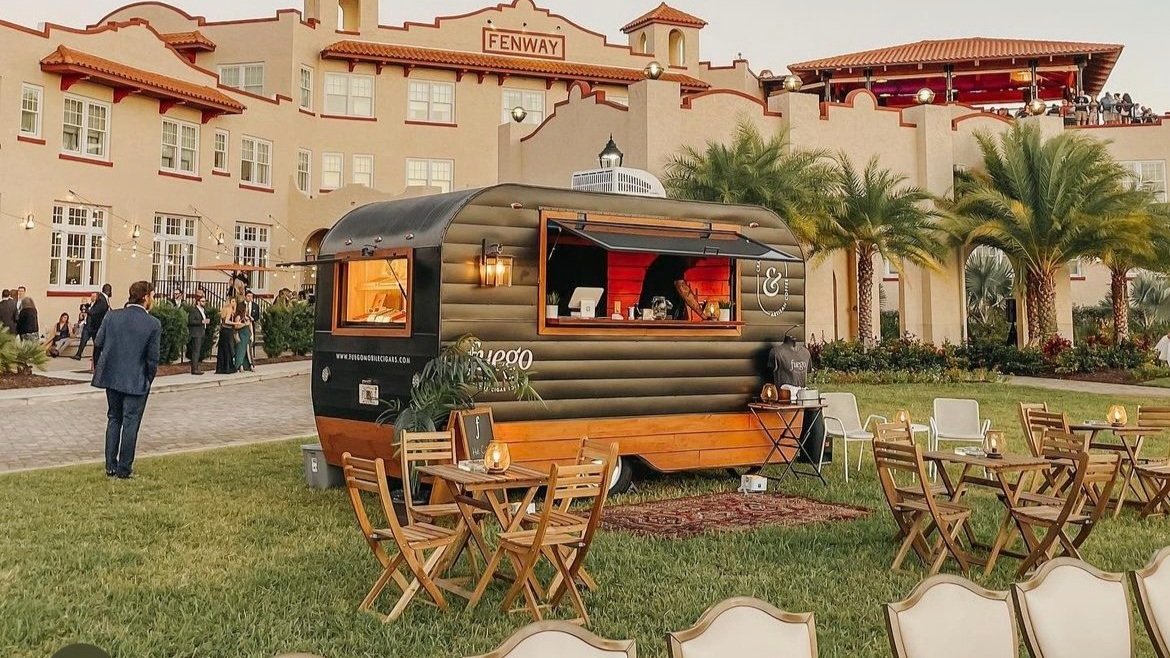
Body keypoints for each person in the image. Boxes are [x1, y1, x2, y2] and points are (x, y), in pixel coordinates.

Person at [92, 281, 161, 480]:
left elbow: (98, 342)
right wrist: (148, 378)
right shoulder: (152, 323)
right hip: (136, 379)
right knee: (131, 423)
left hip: (113, 377)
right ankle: (124, 468)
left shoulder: (112, 316)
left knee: (114, 419)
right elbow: (153, 358)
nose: (153, 300)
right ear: (146, 297)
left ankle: (110, 465)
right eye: (152, 296)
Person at [637, 255, 705, 320]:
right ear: (689, 255)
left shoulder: (669, 263)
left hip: (659, 314)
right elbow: (682, 288)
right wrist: (703, 315)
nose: (694, 265)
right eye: (695, 260)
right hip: (654, 315)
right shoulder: (673, 260)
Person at [80, 284, 112, 364]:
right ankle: (97, 362)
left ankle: (97, 360)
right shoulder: (102, 299)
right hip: (97, 325)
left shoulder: (103, 298)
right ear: (108, 291)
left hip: (97, 325)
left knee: (98, 344)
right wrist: (86, 310)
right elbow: (95, 312)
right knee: (98, 344)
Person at [186, 294, 209, 375]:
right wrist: (201, 322)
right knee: (196, 351)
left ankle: (196, 367)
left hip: (202, 332)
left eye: (205, 301)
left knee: (198, 351)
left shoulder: (203, 310)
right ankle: (194, 369)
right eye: (202, 301)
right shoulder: (194, 310)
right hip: (196, 333)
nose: (204, 303)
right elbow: (190, 321)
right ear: (198, 302)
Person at [216, 297, 239, 375]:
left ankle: (221, 368)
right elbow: (226, 321)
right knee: (228, 349)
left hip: (223, 331)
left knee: (223, 349)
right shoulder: (229, 309)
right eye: (233, 301)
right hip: (228, 330)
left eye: (235, 301)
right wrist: (236, 323)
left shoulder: (224, 309)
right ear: (229, 302)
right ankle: (227, 367)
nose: (234, 303)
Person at [232, 300, 254, 372]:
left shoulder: (247, 317)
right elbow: (236, 326)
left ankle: (249, 364)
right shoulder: (238, 317)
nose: (247, 309)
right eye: (246, 308)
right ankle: (239, 365)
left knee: (248, 350)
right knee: (240, 350)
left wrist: (252, 334)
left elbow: (250, 325)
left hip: (247, 334)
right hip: (241, 334)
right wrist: (244, 324)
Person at [244, 290, 261, 363]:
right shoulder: (241, 305)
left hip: (251, 324)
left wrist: (253, 319)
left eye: (251, 296)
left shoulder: (255, 306)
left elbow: (257, 316)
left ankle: (250, 354)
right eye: (248, 296)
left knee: (251, 339)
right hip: (243, 324)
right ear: (245, 296)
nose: (250, 298)